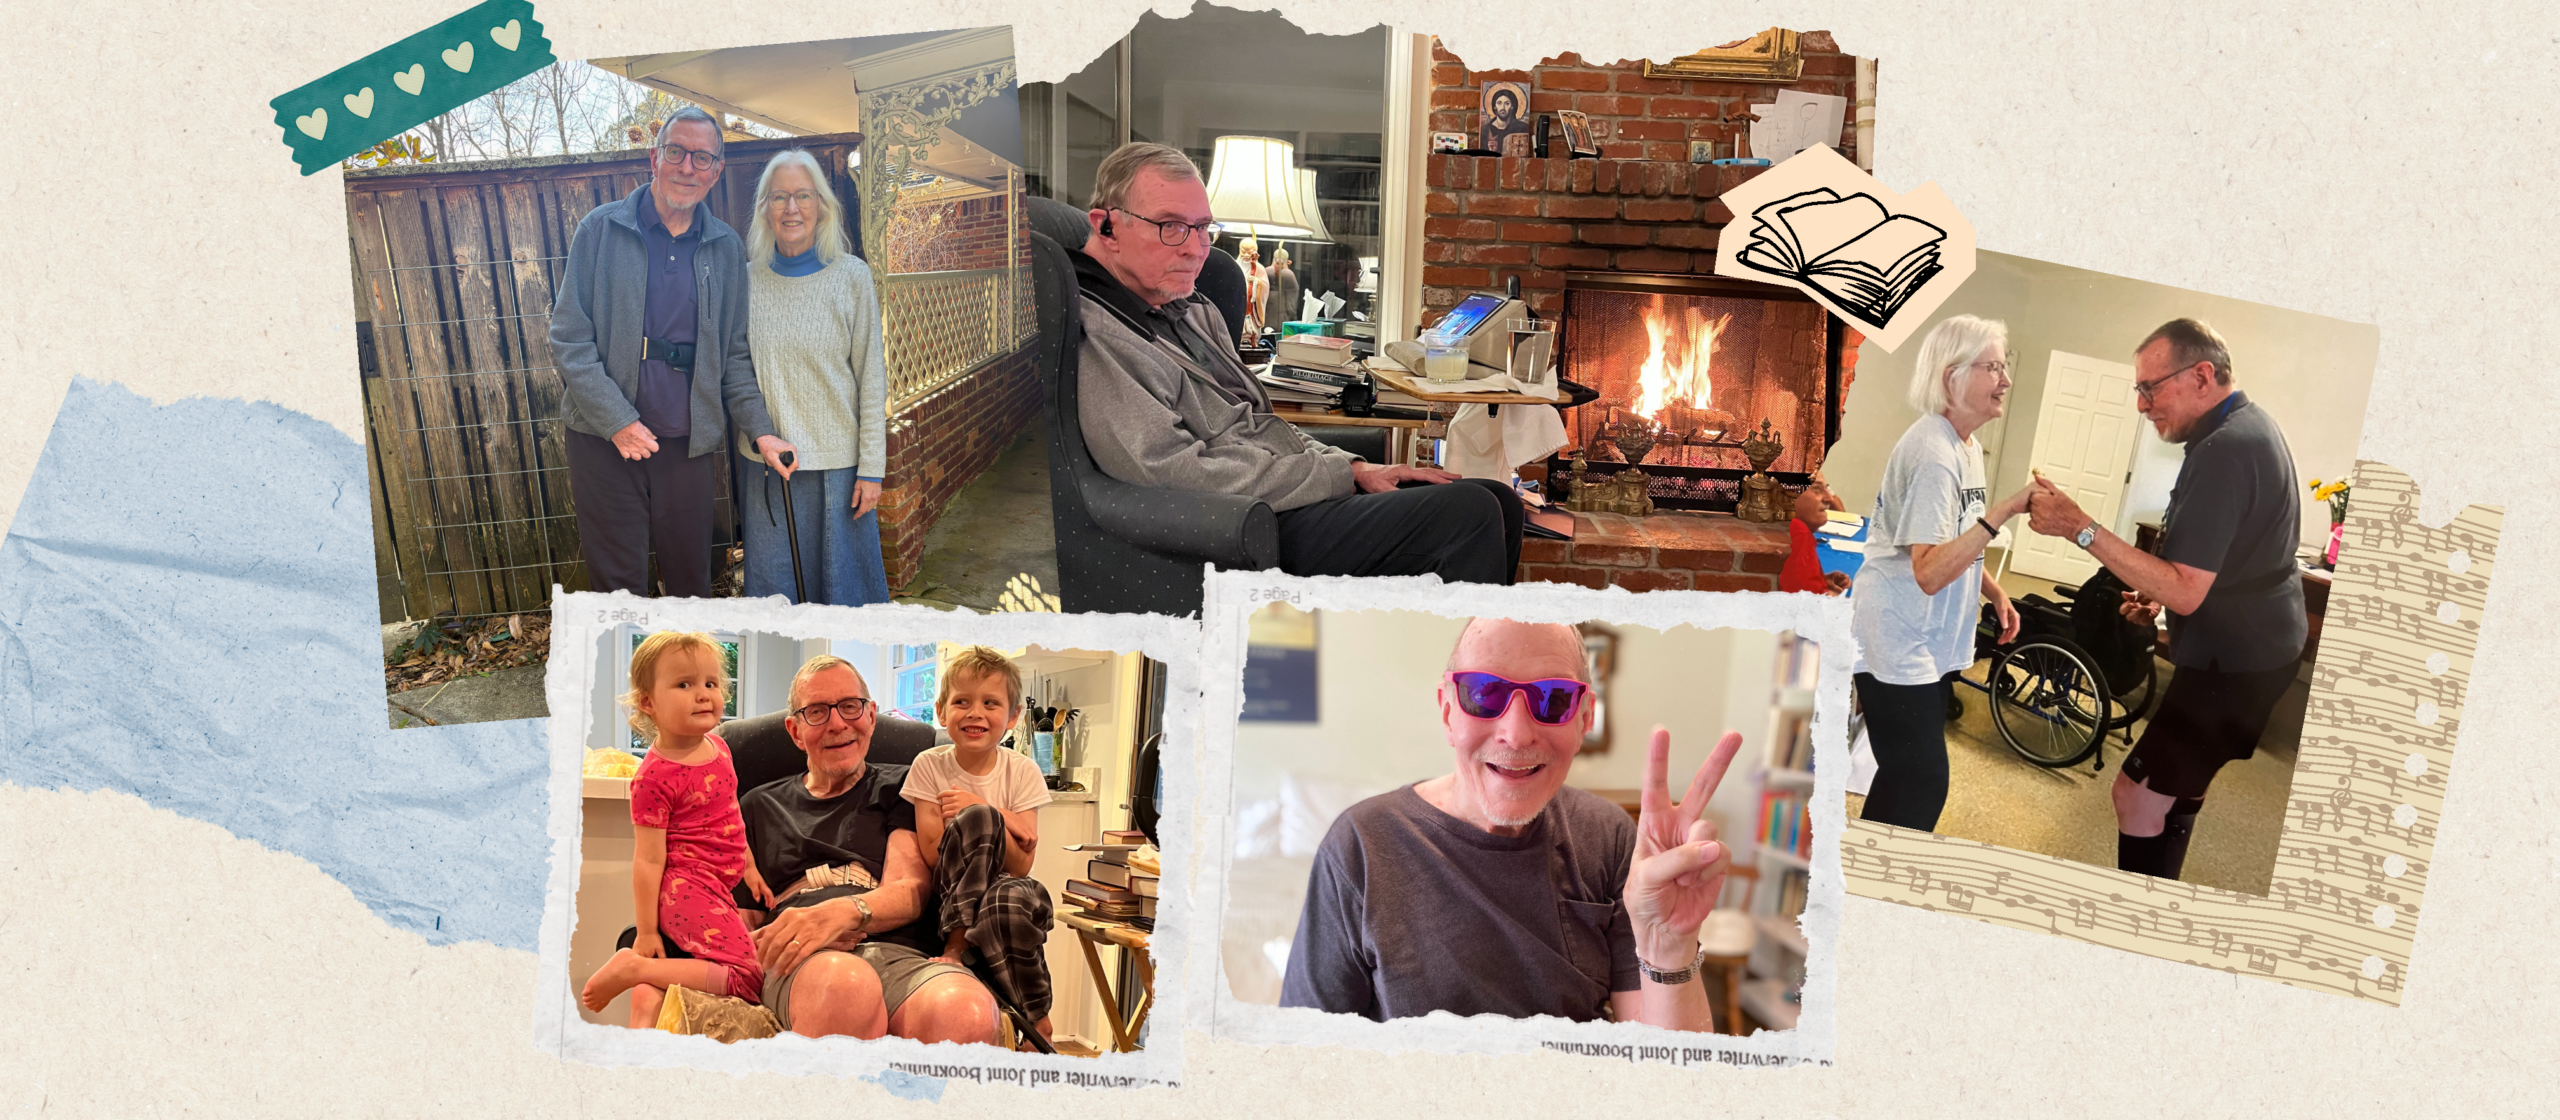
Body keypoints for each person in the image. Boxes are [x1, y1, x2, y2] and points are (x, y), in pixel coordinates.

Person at [1073, 142, 1523, 585]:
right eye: (1172, 227)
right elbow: (1168, 472)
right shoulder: (1099, 333)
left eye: (1203, 228)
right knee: (1469, 513)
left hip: (1280, 494)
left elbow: (1258, 424)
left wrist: (1354, 466)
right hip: (1237, 526)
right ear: (1106, 226)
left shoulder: (1189, 308)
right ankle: (1464, 652)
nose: (1196, 249)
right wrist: (1335, 475)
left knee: (1499, 497)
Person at [1281, 618, 1742, 1030]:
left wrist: (1669, 947)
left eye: (1553, 699)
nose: (1517, 733)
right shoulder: (1360, 847)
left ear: (1584, 719)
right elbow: (1306, 1069)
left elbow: (1665, 1081)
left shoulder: (1610, 837)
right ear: (1448, 711)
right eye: (1484, 694)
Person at [2025, 319, 2304, 881]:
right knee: (2179, 790)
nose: (2141, 405)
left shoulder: (2226, 449)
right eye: (2139, 389)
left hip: (2237, 663)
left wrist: (2078, 527)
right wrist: (2163, 596)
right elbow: (2206, 571)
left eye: (2151, 387)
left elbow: (2185, 585)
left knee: (2137, 796)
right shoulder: (2244, 427)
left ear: (2202, 375)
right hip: (2257, 647)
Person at [551, 107, 797, 599]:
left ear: (716, 170)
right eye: (676, 152)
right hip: (603, 440)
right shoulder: (600, 231)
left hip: (688, 442)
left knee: (690, 583)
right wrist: (617, 420)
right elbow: (569, 338)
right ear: (654, 157)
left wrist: (762, 431)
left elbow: (733, 354)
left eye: (702, 157)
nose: (688, 167)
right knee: (617, 586)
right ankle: (629, 676)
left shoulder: (725, 248)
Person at [735, 656, 1003, 1043]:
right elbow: (742, 918)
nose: (838, 723)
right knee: (845, 986)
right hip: (802, 960)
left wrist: (843, 913)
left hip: (902, 953)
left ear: (871, 715)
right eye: (817, 712)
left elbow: (910, 888)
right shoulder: (757, 806)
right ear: (795, 731)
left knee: (966, 1010)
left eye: (850, 706)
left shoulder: (907, 787)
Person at [1850, 315, 2038, 833]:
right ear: (1951, 376)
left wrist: (1994, 589)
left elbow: (1953, 544)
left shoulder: (1966, 446)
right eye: (1993, 367)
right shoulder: (1934, 452)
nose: (2006, 379)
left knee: (1904, 773)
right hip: (1895, 635)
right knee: (1925, 781)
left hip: (1926, 637)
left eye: (2003, 367)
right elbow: (1930, 571)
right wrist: (2000, 512)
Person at [579, 631, 774, 1023]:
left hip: (715, 887)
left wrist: (749, 868)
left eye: (711, 683)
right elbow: (648, 861)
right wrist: (647, 933)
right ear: (647, 703)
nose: (703, 694)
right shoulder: (653, 777)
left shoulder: (720, 749)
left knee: (741, 970)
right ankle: (635, 968)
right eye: (684, 684)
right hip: (685, 891)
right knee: (747, 977)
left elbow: (729, 815)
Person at [738, 149, 893, 605]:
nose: (791, 208)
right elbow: (736, 372)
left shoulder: (852, 277)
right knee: (777, 604)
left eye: (803, 195)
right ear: (764, 209)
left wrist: (872, 469)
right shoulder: (746, 282)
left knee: (846, 600)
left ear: (822, 206)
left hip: (840, 471)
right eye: (780, 196)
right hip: (770, 469)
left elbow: (871, 379)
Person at [900, 645, 1056, 1041]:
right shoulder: (928, 765)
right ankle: (956, 940)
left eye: (991, 703)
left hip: (1007, 889)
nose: (975, 713)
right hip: (947, 895)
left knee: (1013, 899)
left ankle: (1038, 1018)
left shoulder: (1022, 770)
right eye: (962, 702)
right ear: (941, 711)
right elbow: (934, 854)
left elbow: (1022, 866)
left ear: (1013, 716)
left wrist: (985, 807)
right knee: (980, 819)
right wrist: (986, 820)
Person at [1780, 472, 1854, 596]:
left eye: (1827, 488)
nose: (1829, 498)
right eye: (1817, 489)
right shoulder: (1798, 532)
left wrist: (1821, 580)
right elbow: (1808, 607)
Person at [1236, 236, 1269, 345]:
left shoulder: (1259, 268)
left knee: (1250, 321)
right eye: (1243, 251)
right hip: (1237, 300)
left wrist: (1257, 282)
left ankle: (1252, 339)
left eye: (1249, 252)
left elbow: (1265, 285)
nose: (1245, 255)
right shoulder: (1235, 265)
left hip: (1251, 304)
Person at [1266, 246, 1301, 332]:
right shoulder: (1289, 274)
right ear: (1288, 261)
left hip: (1267, 315)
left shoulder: (1266, 271)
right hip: (1283, 316)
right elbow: (1292, 303)